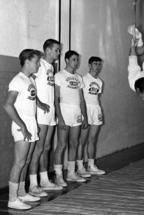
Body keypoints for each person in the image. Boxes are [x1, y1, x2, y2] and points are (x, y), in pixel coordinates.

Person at [4, 49, 48, 209]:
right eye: (36, 62)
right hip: (21, 124)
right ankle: (12, 199)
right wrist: (22, 126)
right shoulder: (17, 80)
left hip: (31, 123)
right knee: (19, 162)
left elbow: (32, 98)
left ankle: (22, 193)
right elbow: (7, 105)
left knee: (27, 161)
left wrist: (41, 105)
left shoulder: (30, 80)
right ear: (27, 61)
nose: (38, 65)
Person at [28, 39, 62, 198]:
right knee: (39, 147)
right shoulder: (39, 64)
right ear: (48, 50)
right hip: (41, 112)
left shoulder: (51, 67)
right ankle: (33, 184)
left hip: (51, 112)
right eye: (56, 50)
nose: (59, 53)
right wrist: (39, 103)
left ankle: (44, 180)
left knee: (47, 147)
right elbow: (29, 82)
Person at [54, 50, 88, 186]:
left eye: (77, 60)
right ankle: (58, 175)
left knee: (74, 143)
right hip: (64, 111)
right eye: (74, 59)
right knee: (61, 145)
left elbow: (82, 99)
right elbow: (56, 99)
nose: (76, 62)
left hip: (76, 113)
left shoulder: (79, 78)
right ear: (67, 60)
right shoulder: (59, 75)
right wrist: (60, 117)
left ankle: (71, 173)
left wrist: (84, 116)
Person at [77, 56, 105, 176]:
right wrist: (84, 113)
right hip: (85, 110)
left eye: (99, 64)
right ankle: (79, 167)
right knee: (82, 141)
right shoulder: (83, 79)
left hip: (96, 110)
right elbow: (81, 98)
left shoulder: (100, 82)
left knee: (92, 140)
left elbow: (96, 97)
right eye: (95, 64)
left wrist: (96, 111)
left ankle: (91, 165)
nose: (97, 66)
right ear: (89, 65)